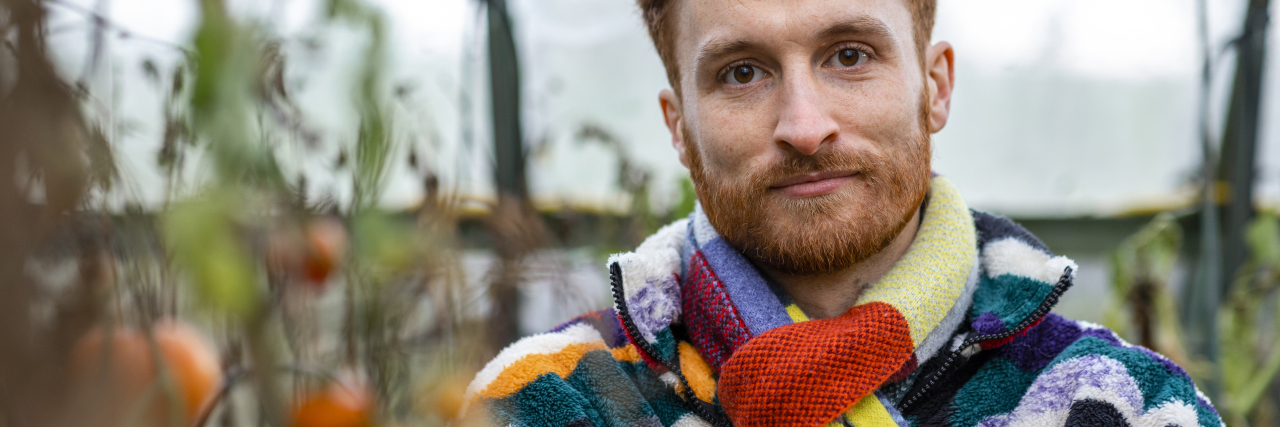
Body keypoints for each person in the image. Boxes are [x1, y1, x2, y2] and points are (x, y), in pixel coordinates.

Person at [461, 0, 1223, 425]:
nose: (804, 124)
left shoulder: (1119, 400)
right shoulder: (552, 397)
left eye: (849, 55)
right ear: (678, 129)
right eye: (743, 72)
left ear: (936, 87)